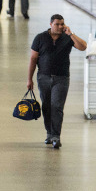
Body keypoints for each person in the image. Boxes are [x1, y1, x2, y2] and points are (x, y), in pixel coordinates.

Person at [27, 14, 87, 149]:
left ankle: (56, 136)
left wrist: (71, 33)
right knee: (46, 106)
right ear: (50, 24)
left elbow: (83, 46)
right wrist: (29, 79)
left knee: (57, 106)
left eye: (62, 24)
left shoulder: (67, 38)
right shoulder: (40, 38)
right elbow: (33, 59)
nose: (60, 27)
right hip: (44, 77)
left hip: (62, 78)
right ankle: (49, 133)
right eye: (57, 24)